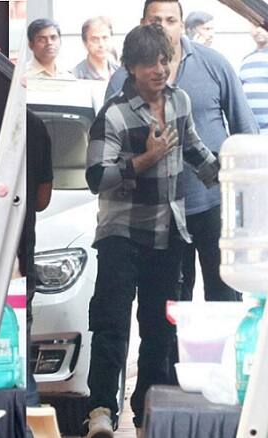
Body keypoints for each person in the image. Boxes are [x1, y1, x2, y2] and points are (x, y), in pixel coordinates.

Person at [84, 24, 220, 438]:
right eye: (150, 64)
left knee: (160, 327)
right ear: (131, 67)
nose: (160, 70)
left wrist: (227, 176)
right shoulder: (114, 113)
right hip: (122, 234)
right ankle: (101, 410)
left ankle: (147, 411)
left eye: (165, 61)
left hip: (169, 231)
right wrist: (147, 158)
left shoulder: (179, 101)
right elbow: (97, 177)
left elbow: (193, 148)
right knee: (111, 323)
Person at [106, 0, 258, 304]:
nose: (163, 27)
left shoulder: (213, 63)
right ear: (142, 23)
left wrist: (246, 193)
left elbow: (245, 131)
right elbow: (109, 151)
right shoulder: (124, 78)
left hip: (212, 203)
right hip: (158, 212)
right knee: (171, 300)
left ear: (182, 24)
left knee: (224, 294)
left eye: (170, 20)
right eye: (155, 20)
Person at [19, 109, 53, 408]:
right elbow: (43, 200)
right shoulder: (34, 125)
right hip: (21, 248)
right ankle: (27, 405)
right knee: (19, 331)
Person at [72, 16, 118, 81]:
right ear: (85, 43)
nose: (101, 44)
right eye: (95, 39)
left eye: (105, 38)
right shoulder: (74, 77)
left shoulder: (121, 73)